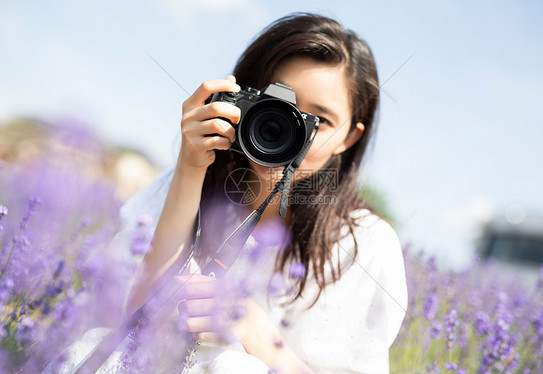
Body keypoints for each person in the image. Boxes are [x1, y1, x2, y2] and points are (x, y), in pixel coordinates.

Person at [116, 12, 408, 374]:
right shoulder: (179, 183)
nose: (290, 133)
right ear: (242, 98)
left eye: (319, 122)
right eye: (278, 107)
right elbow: (129, 327)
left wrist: (258, 337)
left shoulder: (365, 243)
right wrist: (190, 168)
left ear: (348, 138)